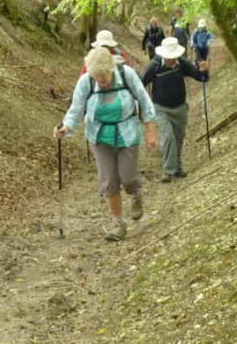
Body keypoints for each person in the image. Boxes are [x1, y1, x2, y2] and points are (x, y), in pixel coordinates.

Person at [54, 46, 157, 241]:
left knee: (127, 177)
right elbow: (76, 109)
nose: (102, 81)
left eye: (105, 77)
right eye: (97, 78)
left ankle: (136, 194)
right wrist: (66, 127)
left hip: (127, 132)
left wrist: (150, 132)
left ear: (111, 68)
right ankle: (118, 223)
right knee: (108, 181)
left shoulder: (127, 75)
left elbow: (145, 102)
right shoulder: (86, 82)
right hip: (99, 136)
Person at [141, 37, 209, 182]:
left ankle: (177, 168)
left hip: (180, 108)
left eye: (174, 57)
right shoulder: (155, 65)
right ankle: (168, 171)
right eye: (169, 57)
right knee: (168, 137)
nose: (171, 60)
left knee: (178, 138)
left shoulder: (182, 62)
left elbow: (200, 77)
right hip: (161, 108)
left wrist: (204, 70)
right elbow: (141, 83)